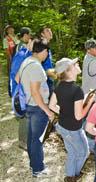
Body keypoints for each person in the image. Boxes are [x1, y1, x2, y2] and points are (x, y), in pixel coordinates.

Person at [49, 58, 94, 182]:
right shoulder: (76, 90)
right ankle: (74, 176)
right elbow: (79, 116)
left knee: (72, 152)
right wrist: (89, 102)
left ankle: (70, 175)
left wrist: (65, 112)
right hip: (74, 129)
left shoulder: (59, 86)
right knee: (84, 153)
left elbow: (52, 106)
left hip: (62, 126)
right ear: (68, 71)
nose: (77, 64)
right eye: (75, 64)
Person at [16, 38, 54, 177]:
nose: (47, 55)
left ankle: (34, 165)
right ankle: (38, 169)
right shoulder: (36, 66)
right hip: (38, 108)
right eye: (47, 52)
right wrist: (48, 111)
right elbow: (35, 92)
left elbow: (17, 79)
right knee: (37, 140)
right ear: (43, 51)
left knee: (32, 138)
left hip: (29, 105)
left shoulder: (26, 61)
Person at [39, 26, 57, 96]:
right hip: (44, 80)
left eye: (50, 30)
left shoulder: (46, 45)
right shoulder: (42, 46)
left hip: (49, 78)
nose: (50, 32)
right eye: (47, 31)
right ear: (42, 34)